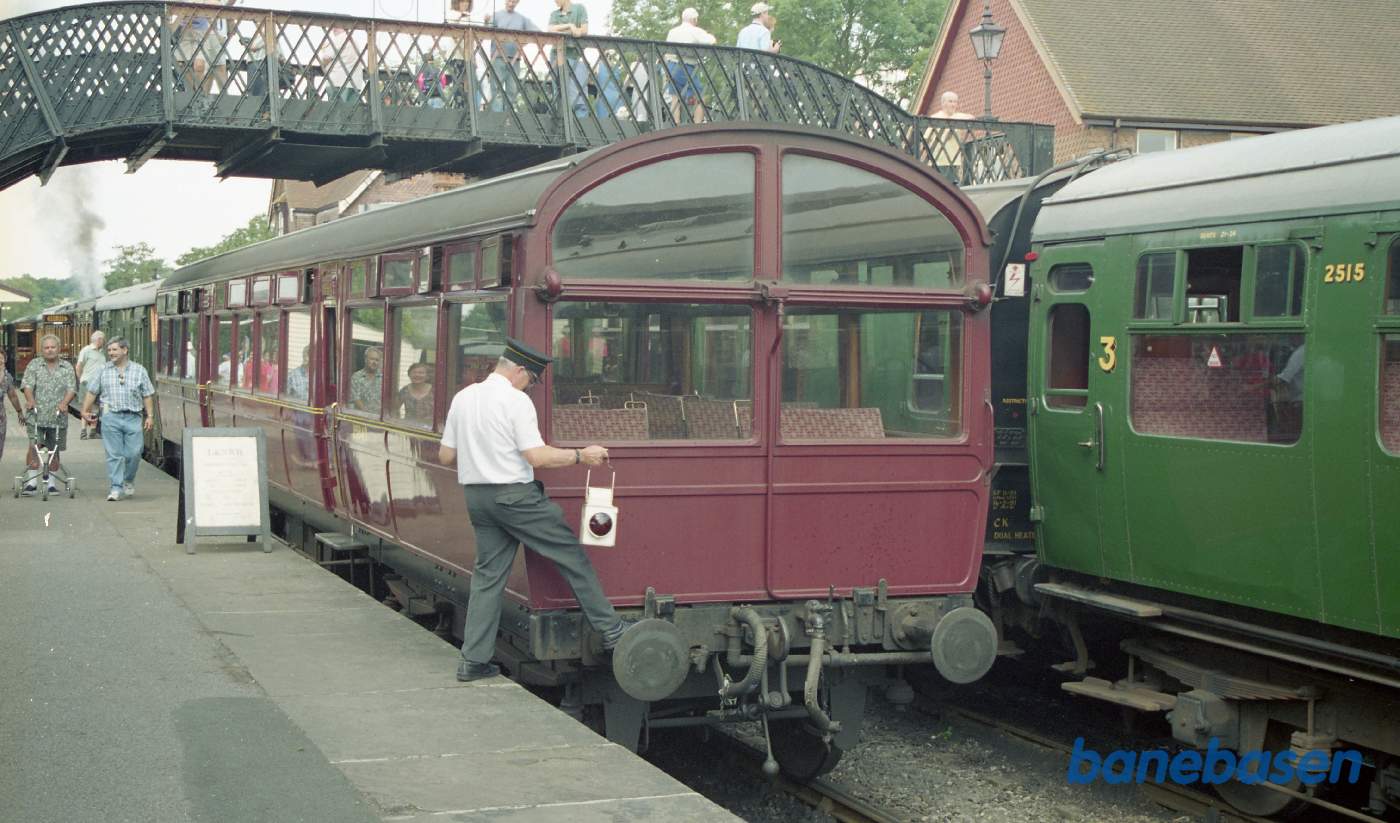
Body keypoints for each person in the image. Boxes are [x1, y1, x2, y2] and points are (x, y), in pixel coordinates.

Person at [439, 338, 634, 681]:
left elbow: (446, 456)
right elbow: (537, 456)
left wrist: (480, 450)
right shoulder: (515, 401)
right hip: (516, 497)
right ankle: (614, 633)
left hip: (477, 498)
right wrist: (580, 455)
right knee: (572, 556)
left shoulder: (463, 397)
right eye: (531, 380)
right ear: (518, 371)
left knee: (487, 577)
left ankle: (473, 661)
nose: (530, 387)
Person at [80, 337, 155, 502]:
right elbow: (92, 392)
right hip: (110, 416)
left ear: (124, 350)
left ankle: (128, 479)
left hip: (133, 417)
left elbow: (147, 394)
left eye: (114, 350)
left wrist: (150, 416)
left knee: (134, 453)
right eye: (109, 350)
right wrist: (84, 410)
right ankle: (116, 487)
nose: (111, 353)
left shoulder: (139, 370)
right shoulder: (103, 370)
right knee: (114, 455)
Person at [20, 335, 77, 495]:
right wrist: (30, 401)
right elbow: (27, 385)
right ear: (42, 350)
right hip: (36, 415)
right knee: (34, 447)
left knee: (54, 449)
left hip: (57, 416)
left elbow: (72, 388)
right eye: (46, 347)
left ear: (58, 349)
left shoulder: (66, 367)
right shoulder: (34, 365)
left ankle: (51, 483)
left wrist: (65, 403)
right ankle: (31, 483)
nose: (50, 350)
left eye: (53, 347)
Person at [485, 0, 539, 113]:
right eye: (509, 1)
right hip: (498, 58)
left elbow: (537, 32)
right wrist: (486, 21)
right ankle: (498, 117)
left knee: (512, 90)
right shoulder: (496, 15)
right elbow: (486, 31)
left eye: (514, 1)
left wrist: (522, 43)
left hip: (515, 60)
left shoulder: (522, 19)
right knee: (496, 89)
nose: (511, 3)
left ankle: (508, 118)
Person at [665, 8, 715, 124]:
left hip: (672, 66)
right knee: (700, 98)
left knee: (675, 97)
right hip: (687, 66)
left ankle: (675, 125)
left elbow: (666, 51)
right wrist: (711, 36)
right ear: (694, 19)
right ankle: (697, 125)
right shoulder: (695, 31)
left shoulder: (673, 31)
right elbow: (710, 41)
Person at [547, 0, 589, 118]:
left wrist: (569, 31)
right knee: (559, 94)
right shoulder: (554, 14)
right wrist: (571, 26)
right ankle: (561, 125)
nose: (554, 1)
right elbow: (550, 29)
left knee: (579, 97)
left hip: (574, 56)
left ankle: (580, 128)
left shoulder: (579, 8)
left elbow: (584, 30)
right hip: (557, 55)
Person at [74, 330, 107, 440]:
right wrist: (81, 380)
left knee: (96, 408)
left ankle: (93, 431)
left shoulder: (102, 352)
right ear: (99, 340)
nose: (104, 341)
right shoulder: (86, 350)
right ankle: (83, 431)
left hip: (99, 384)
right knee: (86, 407)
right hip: (87, 382)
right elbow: (78, 366)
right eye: (103, 339)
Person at [319, 25, 364, 104]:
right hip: (355, 82)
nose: (333, 29)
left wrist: (323, 66)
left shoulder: (339, 38)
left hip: (337, 82)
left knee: (335, 112)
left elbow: (326, 58)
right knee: (350, 111)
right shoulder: (354, 40)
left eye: (334, 26)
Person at [0, 349, 26, 466]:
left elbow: (13, 396)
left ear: (5, 359)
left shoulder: (7, 377)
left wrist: (19, 411)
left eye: (1, 358)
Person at [350, 346, 383, 414]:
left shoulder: (383, 378)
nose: (374, 362)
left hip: (379, 419)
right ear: (365, 359)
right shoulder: (356, 377)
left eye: (377, 360)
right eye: (372, 359)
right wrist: (368, 415)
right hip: (362, 418)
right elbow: (356, 398)